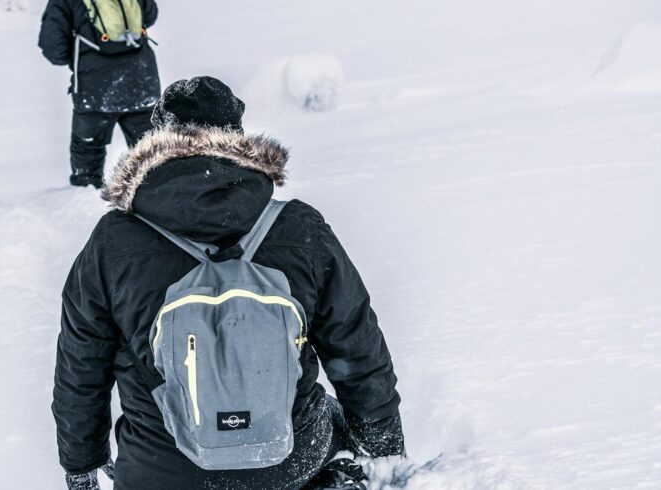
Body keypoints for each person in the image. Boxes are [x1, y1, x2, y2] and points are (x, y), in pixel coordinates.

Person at [53, 77, 405, 490]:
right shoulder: (298, 225)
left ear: (156, 141)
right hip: (290, 458)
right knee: (331, 417)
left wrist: (82, 462)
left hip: (161, 469)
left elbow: (81, 365)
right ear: (238, 139)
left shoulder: (113, 241)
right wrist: (383, 446)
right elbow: (356, 347)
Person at [38, 0, 161, 189]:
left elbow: (53, 47)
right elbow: (150, 14)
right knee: (153, 153)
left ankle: (87, 200)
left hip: (94, 89)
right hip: (141, 81)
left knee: (87, 154)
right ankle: (161, 200)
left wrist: (83, 55)